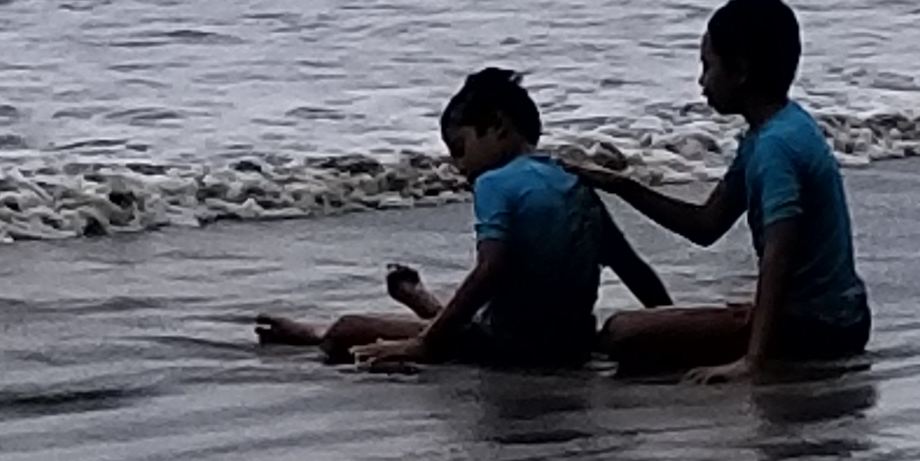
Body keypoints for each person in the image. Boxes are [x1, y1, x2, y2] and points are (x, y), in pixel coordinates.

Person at [254, 67, 671, 371]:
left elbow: (491, 270)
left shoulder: (494, 183)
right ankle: (421, 302)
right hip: (573, 346)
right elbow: (633, 269)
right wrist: (672, 327)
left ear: (497, 127)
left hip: (509, 348)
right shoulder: (575, 183)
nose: (457, 165)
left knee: (346, 330)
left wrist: (425, 346)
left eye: (459, 148)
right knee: (477, 321)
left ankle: (320, 331)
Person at [569, 0, 871, 382]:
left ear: (740, 71)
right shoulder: (778, 127)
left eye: (707, 66)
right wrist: (623, 187)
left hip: (818, 328)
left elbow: (779, 254)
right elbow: (706, 224)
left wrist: (752, 362)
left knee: (621, 333)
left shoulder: (776, 148)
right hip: (840, 316)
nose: (701, 82)